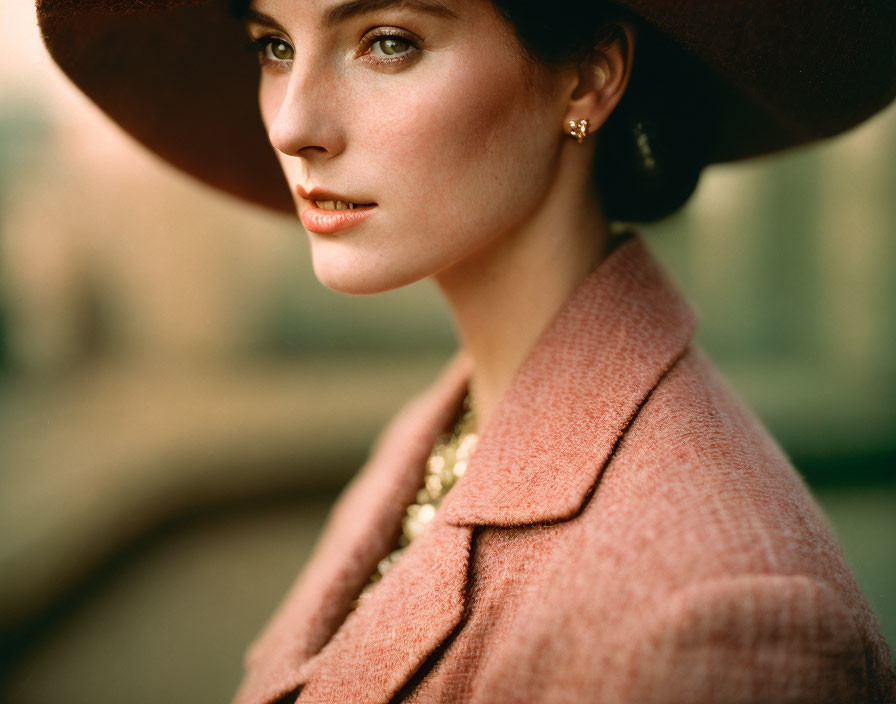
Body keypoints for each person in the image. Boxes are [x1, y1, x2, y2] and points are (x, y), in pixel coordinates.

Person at [36, 0, 896, 702]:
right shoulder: (447, 429)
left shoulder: (719, 619)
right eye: (272, 45)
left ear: (591, 78)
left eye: (386, 42)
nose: (293, 125)